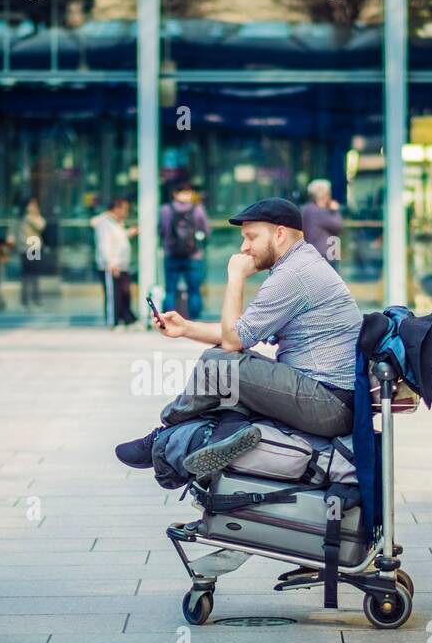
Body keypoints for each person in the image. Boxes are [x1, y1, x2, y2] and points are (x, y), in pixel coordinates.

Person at [115, 197, 364, 473]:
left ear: (279, 234)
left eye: (251, 237)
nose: (244, 247)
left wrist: (235, 277)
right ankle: (227, 429)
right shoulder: (300, 265)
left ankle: (164, 434)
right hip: (326, 398)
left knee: (219, 364)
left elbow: (233, 340)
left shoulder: (294, 275)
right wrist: (185, 328)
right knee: (231, 368)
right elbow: (242, 335)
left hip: (328, 403)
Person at [158, 180, 209, 320]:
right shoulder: (198, 209)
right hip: (193, 256)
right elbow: (206, 230)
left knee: (170, 290)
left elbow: (161, 231)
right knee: (194, 290)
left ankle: (168, 319)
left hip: (171, 254)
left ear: (175, 194)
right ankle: (195, 320)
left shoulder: (165, 210)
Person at [92, 197, 139, 329]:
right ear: (116, 209)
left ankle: (127, 319)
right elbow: (104, 245)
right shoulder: (104, 223)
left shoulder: (117, 223)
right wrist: (111, 263)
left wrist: (130, 232)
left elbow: (119, 238)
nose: (126, 212)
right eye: (124, 209)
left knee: (124, 293)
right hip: (111, 266)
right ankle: (113, 321)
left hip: (122, 265)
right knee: (114, 295)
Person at [10, 197, 47, 310]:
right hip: (25, 248)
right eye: (31, 204)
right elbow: (12, 232)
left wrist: (32, 216)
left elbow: (41, 226)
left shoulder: (34, 218)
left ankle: (35, 299)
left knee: (34, 275)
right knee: (26, 275)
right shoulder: (21, 219)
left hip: (33, 248)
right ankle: (25, 300)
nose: (33, 207)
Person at [300, 178, 343, 266]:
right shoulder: (320, 212)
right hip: (325, 256)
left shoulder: (306, 209)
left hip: (311, 254)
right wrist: (335, 211)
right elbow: (338, 226)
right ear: (324, 194)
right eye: (329, 193)